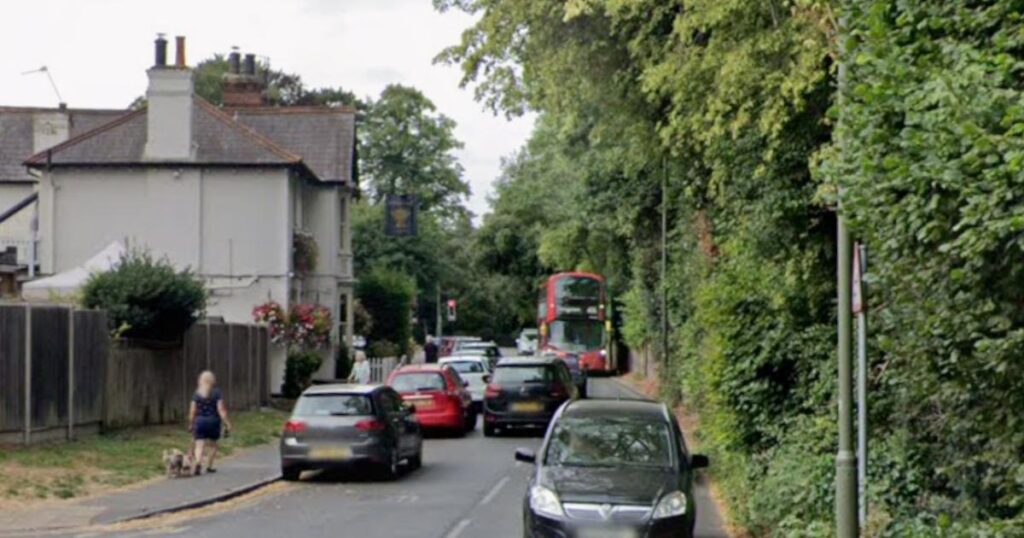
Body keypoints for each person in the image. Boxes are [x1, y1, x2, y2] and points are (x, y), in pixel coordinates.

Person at [188, 371, 232, 475]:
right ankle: (210, 466)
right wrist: (227, 423)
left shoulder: (196, 394)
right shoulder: (216, 393)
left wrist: (191, 423)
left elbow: (192, 410)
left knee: (199, 445)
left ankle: (198, 462)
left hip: (200, 421)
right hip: (213, 421)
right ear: (212, 380)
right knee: (213, 445)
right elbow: (221, 409)